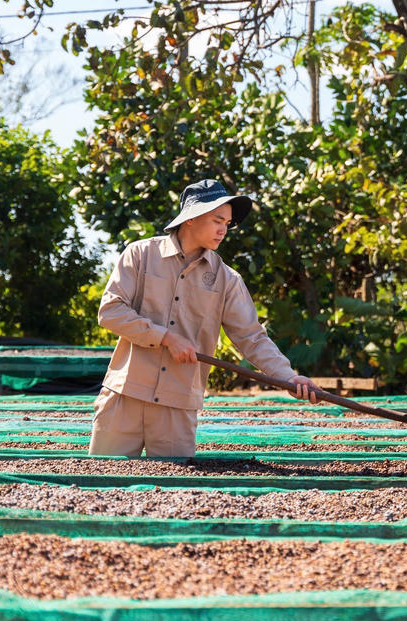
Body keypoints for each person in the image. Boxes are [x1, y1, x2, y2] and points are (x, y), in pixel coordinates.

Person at [89, 179, 317, 457]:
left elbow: (252, 338)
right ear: (191, 219)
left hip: (178, 406)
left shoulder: (227, 280)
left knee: (173, 496)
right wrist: (164, 337)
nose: (224, 229)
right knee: (103, 486)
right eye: (217, 220)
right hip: (124, 397)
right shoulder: (140, 255)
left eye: (228, 223)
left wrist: (288, 377)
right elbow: (111, 311)